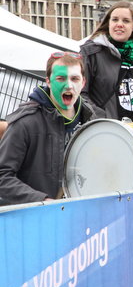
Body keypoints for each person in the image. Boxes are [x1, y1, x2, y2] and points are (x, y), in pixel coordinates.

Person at [0, 52, 95, 204]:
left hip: (79, 213)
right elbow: (2, 176)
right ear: (48, 81)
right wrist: (42, 200)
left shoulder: (92, 120)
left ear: (83, 83)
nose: (69, 85)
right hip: (37, 218)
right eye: (60, 78)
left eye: (74, 79)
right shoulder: (25, 122)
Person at [80, 0, 133, 120]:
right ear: (108, 23)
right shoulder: (91, 53)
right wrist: (103, 118)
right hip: (105, 130)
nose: (119, 24)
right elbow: (81, 94)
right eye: (115, 19)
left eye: (126, 21)